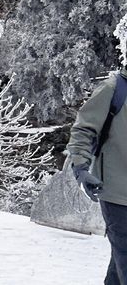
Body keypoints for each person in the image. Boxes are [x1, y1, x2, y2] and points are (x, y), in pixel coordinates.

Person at [68, 68, 127, 285]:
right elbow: (84, 129)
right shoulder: (114, 88)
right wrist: (81, 169)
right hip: (117, 196)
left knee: (118, 270)